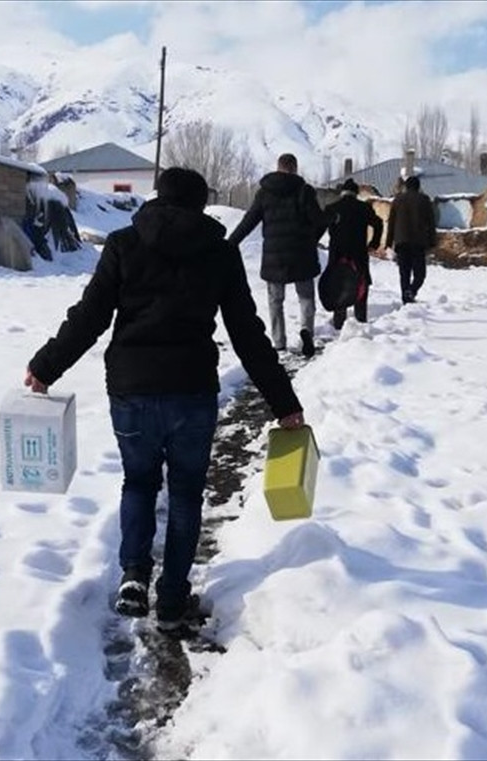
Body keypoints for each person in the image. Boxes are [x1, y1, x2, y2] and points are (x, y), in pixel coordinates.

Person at [24, 167, 305, 637]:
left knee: (138, 482)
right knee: (186, 492)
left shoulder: (122, 244)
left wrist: (46, 366)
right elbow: (248, 335)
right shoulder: (219, 253)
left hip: (131, 390)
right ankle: (172, 599)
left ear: (157, 198)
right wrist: (284, 402)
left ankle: (134, 573)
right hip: (192, 391)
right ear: (200, 203)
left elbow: (90, 315)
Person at [228, 153, 326, 357]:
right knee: (306, 297)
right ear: (295, 168)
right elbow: (319, 220)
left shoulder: (265, 193)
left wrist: (230, 243)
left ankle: (279, 341)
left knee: (275, 300)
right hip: (302, 254)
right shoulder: (305, 191)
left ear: (278, 167)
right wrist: (312, 239)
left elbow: (249, 221)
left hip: (275, 256)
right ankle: (306, 332)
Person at [322, 178, 383, 330]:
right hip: (359, 254)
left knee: (338, 286)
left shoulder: (332, 208)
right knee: (361, 285)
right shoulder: (363, 208)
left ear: (342, 192)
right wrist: (374, 244)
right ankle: (361, 323)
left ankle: (338, 324)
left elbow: (319, 227)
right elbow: (378, 224)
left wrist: (312, 242)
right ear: (356, 193)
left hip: (337, 255)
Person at [385, 175, 437, 304]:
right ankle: (412, 291)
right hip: (418, 242)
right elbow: (431, 222)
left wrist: (388, 242)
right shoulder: (424, 200)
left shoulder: (397, 200)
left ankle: (406, 298)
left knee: (404, 273)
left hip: (401, 242)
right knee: (420, 274)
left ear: (406, 186)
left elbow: (391, 222)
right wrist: (432, 242)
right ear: (418, 187)